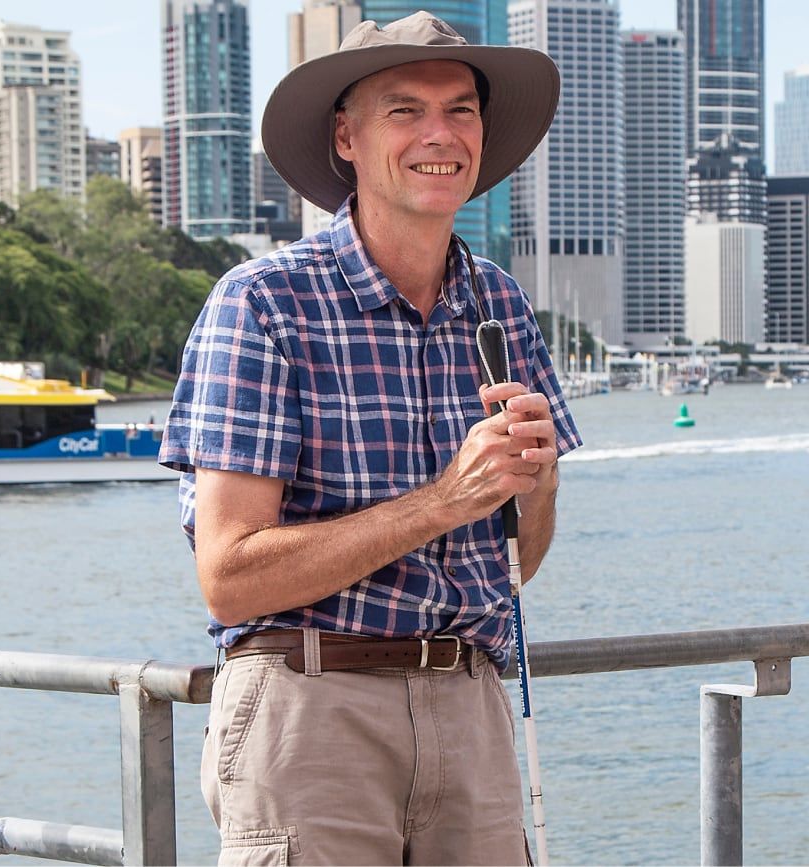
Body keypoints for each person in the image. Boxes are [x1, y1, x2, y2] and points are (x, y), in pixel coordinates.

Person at [159, 12, 577, 865]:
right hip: (312, 711)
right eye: (405, 111)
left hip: (472, 702)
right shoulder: (265, 303)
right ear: (345, 137)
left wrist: (536, 485)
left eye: (461, 110)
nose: (440, 135)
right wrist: (446, 500)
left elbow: (516, 565)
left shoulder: (500, 303)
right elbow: (230, 579)